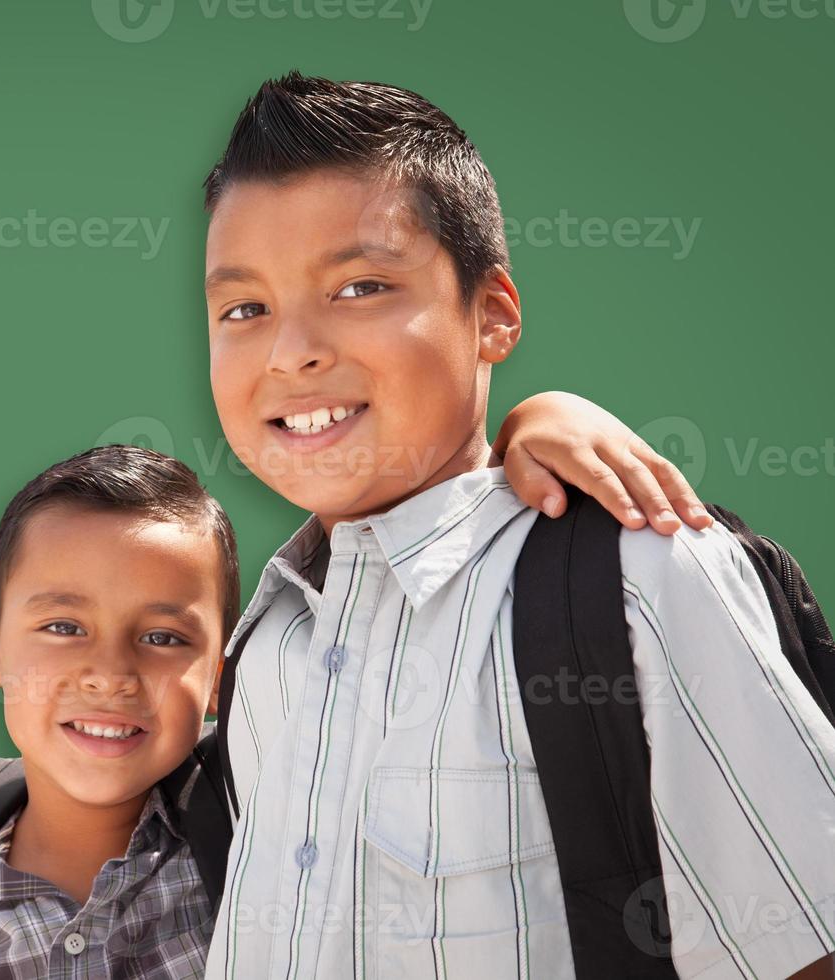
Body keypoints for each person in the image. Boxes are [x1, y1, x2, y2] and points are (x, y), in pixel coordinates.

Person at [201, 70, 835, 979]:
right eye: (243, 308)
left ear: (492, 313)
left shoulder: (637, 576)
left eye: (361, 287)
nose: (292, 348)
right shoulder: (266, 650)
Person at [0, 390, 713, 978]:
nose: (110, 672)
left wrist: (534, 420)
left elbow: (393, 539)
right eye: (62, 627)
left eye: (165, 636)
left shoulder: (272, 839)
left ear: (222, 675)